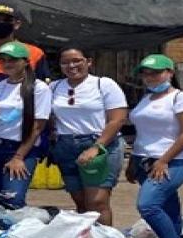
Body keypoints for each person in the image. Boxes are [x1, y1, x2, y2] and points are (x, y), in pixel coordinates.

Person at [48, 46, 129, 226]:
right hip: (66, 146)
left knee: (97, 203)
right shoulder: (53, 87)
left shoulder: (104, 84)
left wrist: (96, 147)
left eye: (77, 60)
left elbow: (117, 119)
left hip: (99, 144)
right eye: (65, 62)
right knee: (82, 204)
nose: (71, 65)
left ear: (89, 62)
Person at [128, 55, 183, 238]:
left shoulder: (181, 98)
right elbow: (143, 132)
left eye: (156, 73)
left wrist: (163, 160)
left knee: (148, 205)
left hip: (173, 161)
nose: (150, 77)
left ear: (169, 72)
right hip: (143, 160)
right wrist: (132, 163)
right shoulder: (146, 98)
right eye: (146, 73)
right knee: (169, 208)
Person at [0, 40, 53, 214]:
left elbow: (37, 126)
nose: (7, 64)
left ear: (26, 62)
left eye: (12, 60)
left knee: (12, 199)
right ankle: (0, 236)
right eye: (3, 60)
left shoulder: (38, 88)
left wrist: (19, 157)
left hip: (20, 149)